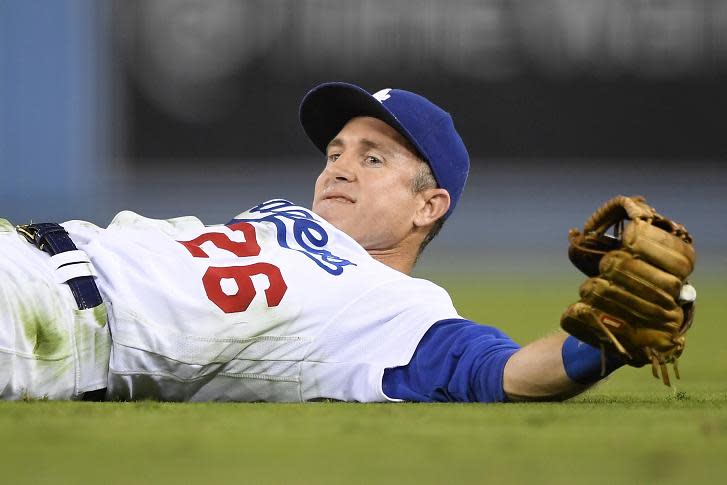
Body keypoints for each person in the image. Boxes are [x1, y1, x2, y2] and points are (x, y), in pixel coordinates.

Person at [0, 82, 623, 402]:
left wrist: (610, 334)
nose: (338, 169)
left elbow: (503, 373)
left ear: (427, 206)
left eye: (373, 159)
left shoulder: (392, 309)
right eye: (335, 152)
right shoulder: (290, 222)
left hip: (50, 322)